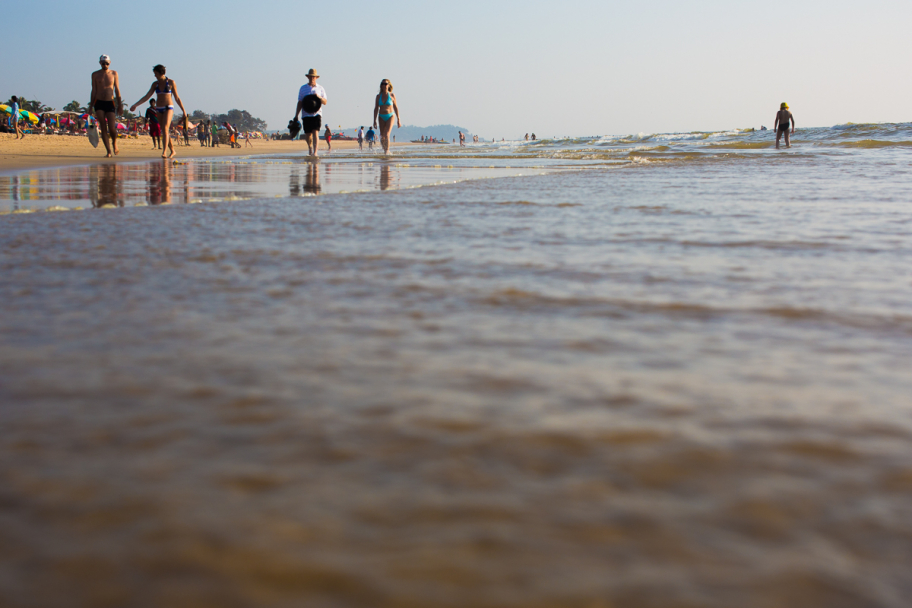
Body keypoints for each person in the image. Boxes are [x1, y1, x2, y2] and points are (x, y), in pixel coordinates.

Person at [130, 64, 187, 158]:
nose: (154, 75)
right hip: (159, 109)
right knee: (164, 130)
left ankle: (164, 151)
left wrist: (183, 111)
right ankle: (172, 150)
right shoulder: (155, 84)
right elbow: (147, 96)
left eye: (156, 73)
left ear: (161, 73)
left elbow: (177, 98)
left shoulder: (171, 82)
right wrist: (135, 105)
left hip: (168, 107)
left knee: (165, 128)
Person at [90, 55, 122, 157]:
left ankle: (114, 143)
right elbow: (94, 90)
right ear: (100, 63)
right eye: (103, 63)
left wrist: (120, 104)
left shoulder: (114, 73)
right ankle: (108, 151)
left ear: (110, 63)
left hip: (110, 102)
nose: (105, 65)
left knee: (112, 127)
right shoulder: (95, 74)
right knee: (103, 127)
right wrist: (90, 105)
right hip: (98, 102)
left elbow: (117, 89)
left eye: (107, 63)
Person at [294, 68, 328, 156]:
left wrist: (319, 97)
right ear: (308, 77)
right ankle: (310, 148)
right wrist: (296, 115)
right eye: (310, 77)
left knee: (315, 132)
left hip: (317, 113)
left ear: (316, 78)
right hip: (306, 114)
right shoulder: (303, 88)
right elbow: (300, 102)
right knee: (308, 134)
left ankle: (315, 152)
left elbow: (325, 102)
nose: (312, 78)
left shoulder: (320, 88)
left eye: (314, 77)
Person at [372, 79, 400, 154]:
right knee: (382, 135)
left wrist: (398, 119)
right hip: (381, 116)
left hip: (390, 116)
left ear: (389, 85)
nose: (384, 85)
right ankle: (384, 150)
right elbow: (376, 108)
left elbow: (396, 107)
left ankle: (387, 151)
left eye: (385, 84)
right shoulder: (378, 96)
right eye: (382, 84)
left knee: (387, 134)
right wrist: (374, 120)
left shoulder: (392, 95)